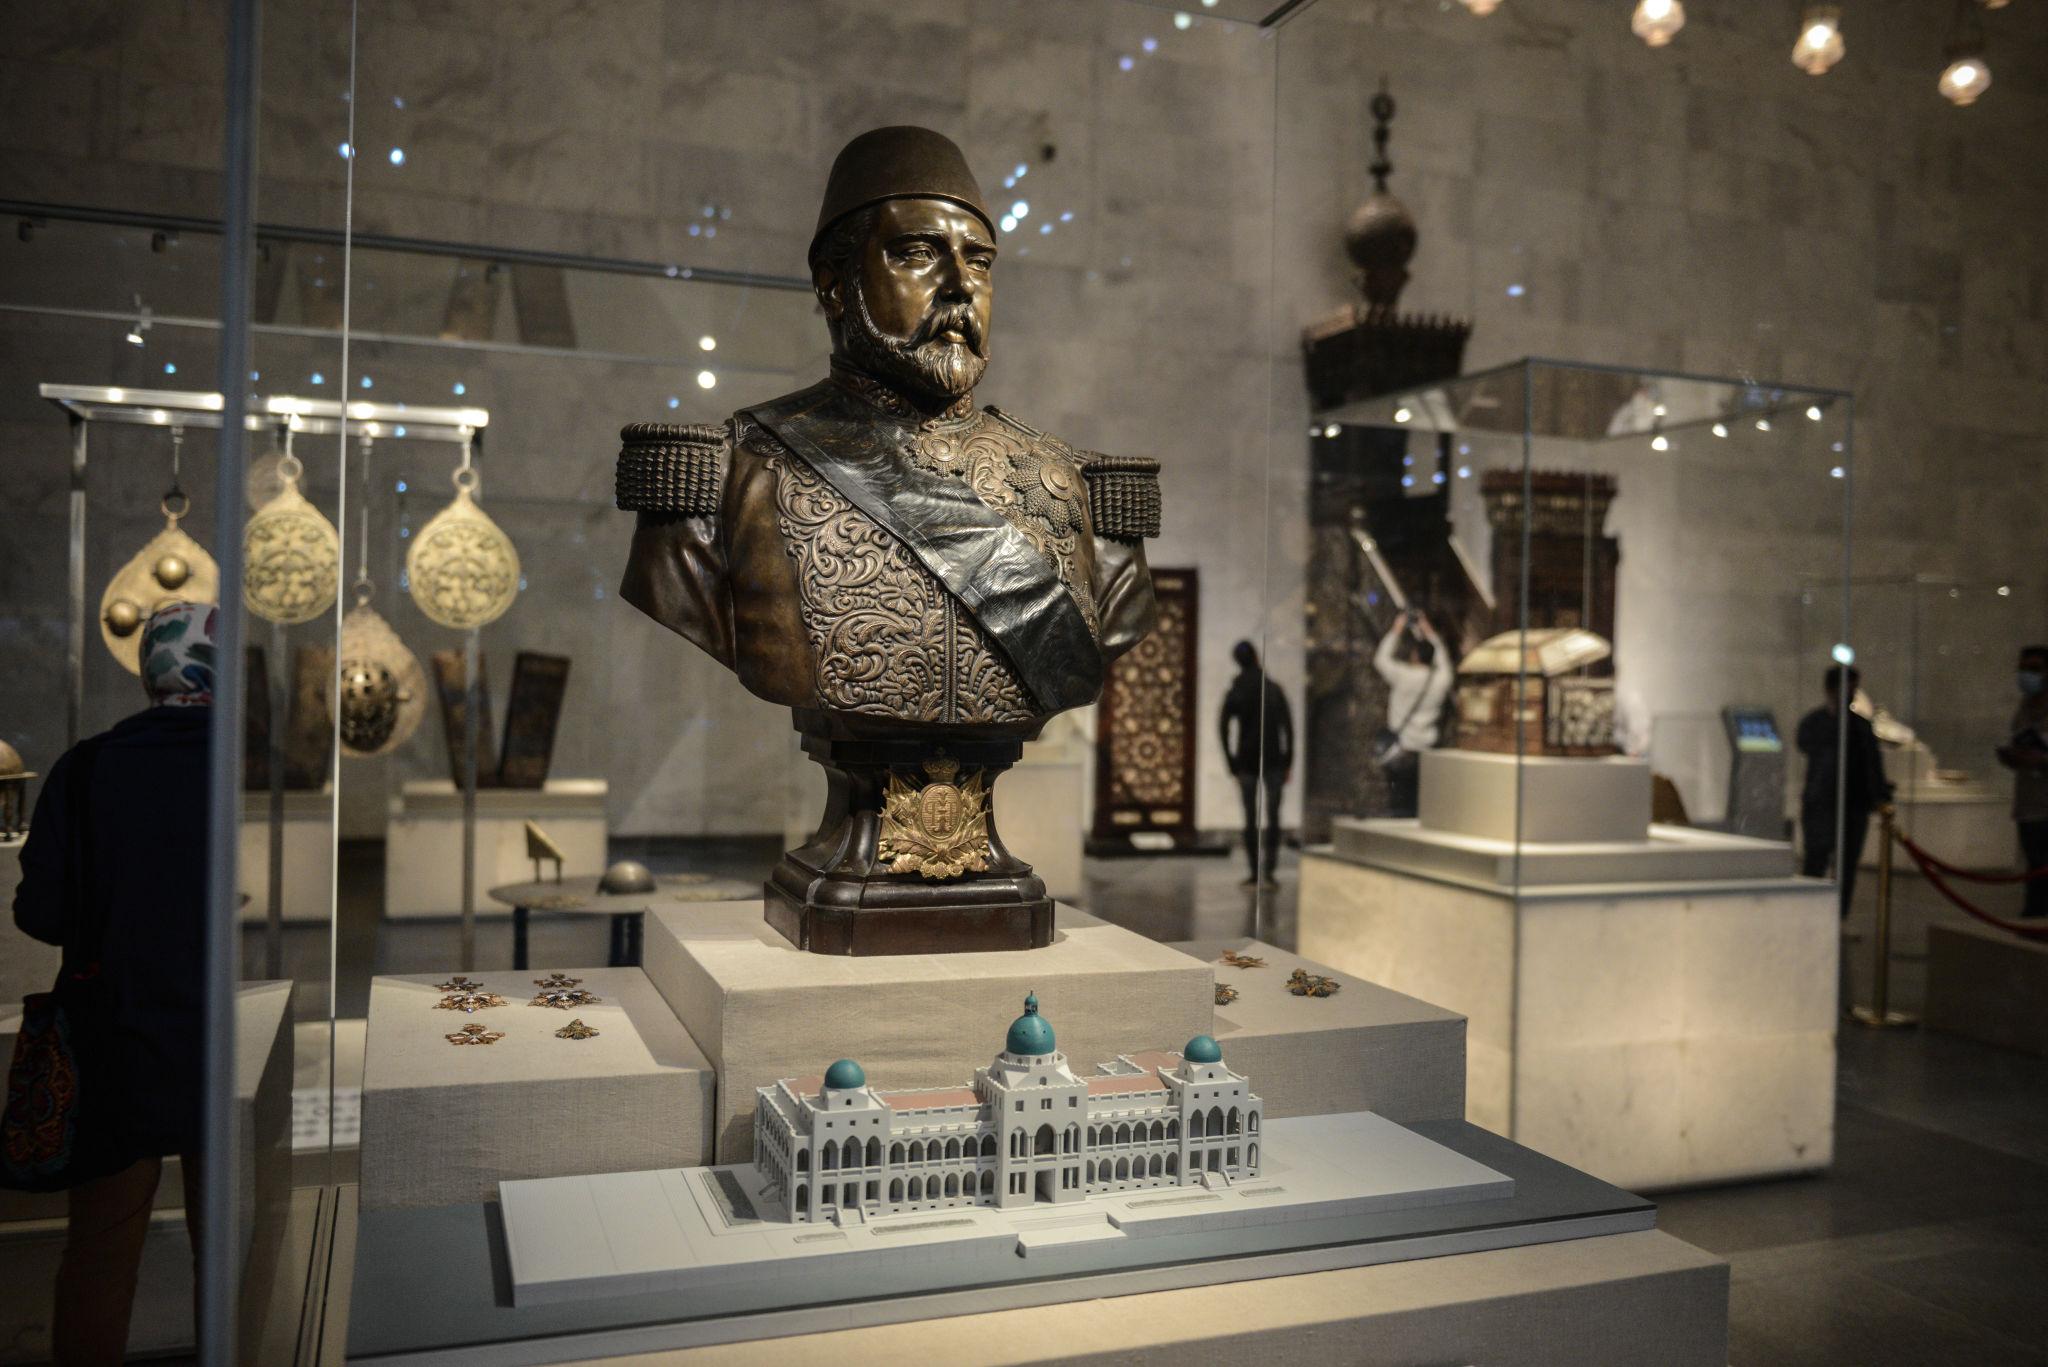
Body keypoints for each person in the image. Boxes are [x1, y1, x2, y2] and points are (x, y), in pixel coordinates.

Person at [13, 601, 213, 1365]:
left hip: (115, 1037)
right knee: (225, 1256)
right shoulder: (239, 769)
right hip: (217, 1041)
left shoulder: (88, 765)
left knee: (101, 1254)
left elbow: (39, 910)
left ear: (149, 668)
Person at [1795, 664, 1893, 916]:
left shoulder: (1859, 726)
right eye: (1845, 686)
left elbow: (1872, 763)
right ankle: (1811, 914)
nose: (1850, 691)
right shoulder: (1816, 722)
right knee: (1816, 858)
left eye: (1853, 687)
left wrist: (1880, 794)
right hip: (1822, 804)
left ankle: (1839, 915)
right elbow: (1806, 744)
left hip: (1853, 804)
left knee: (1847, 865)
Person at [1220, 640, 1293, 887]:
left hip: (1247, 761)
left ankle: (1255, 872)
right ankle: (1268, 871)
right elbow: (1288, 728)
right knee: (1272, 816)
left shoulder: (1238, 690)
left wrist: (1231, 761)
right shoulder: (1272, 688)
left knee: (1250, 818)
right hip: (1273, 759)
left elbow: (1223, 726)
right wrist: (1287, 761)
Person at [1371, 609, 1454, 817]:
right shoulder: (1440, 681)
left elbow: (1381, 659)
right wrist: (1428, 631)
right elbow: (1443, 659)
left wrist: (1397, 629)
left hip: (1402, 750)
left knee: (1398, 800)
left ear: (1414, 655)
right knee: (1420, 805)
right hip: (1426, 749)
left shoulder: (1403, 675)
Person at [1995, 644, 2048, 919]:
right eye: (2024, 668)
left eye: (2035, 669)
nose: (2027, 675)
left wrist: (2039, 760)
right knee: (2033, 864)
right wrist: (2014, 756)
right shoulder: (2025, 707)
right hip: (2028, 803)